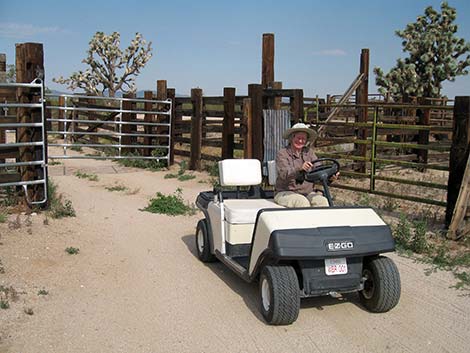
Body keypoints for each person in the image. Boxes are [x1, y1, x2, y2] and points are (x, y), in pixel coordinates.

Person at [274, 123, 337, 208]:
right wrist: (299, 169)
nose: (300, 141)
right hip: (285, 192)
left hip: (307, 193)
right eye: (298, 138)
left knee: (322, 201)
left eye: (303, 139)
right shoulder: (282, 153)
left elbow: (318, 171)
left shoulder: (309, 153)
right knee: (302, 202)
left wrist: (330, 177)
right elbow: (283, 174)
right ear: (291, 138)